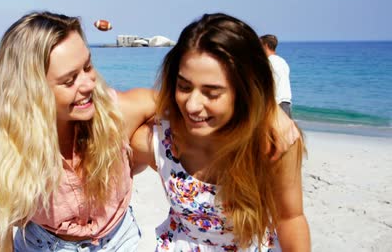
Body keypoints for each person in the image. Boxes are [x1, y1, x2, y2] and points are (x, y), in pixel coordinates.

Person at [0, 11, 299, 252]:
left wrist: (270, 112)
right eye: (70, 80)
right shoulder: (11, 149)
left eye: (88, 66)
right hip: (41, 245)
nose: (89, 83)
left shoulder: (117, 113)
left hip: (118, 243)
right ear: (30, 89)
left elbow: (199, 101)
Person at [131, 13, 309, 251]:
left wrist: (268, 111)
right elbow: (115, 107)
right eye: (184, 86)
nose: (192, 105)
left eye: (212, 92)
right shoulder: (159, 141)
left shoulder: (273, 145)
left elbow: (290, 218)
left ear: (245, 91)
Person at [260, 34, 292, 118]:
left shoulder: (268, 63)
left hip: (276, 104)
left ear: (265, 45)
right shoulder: (283, 62)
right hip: (286, 103)